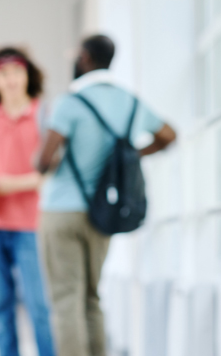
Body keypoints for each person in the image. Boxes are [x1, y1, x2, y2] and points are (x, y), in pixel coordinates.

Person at [36, 35, 176, 356]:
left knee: (65, 299)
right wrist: (132, 156)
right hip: (103, 213)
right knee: (92, 298)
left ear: (84, 58)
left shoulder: (70, 102)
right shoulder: (129, 101)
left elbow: (43, 161)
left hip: (61, 211)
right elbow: (169, 135)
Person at [0, 48, 56, 356]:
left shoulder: (44, 116)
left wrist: (7, 185)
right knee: (0, 303)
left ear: (28, 74)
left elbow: (48, 176)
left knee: (39, 305)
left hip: (31, 224)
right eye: (3, 74)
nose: (11, 79)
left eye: (17, 71)